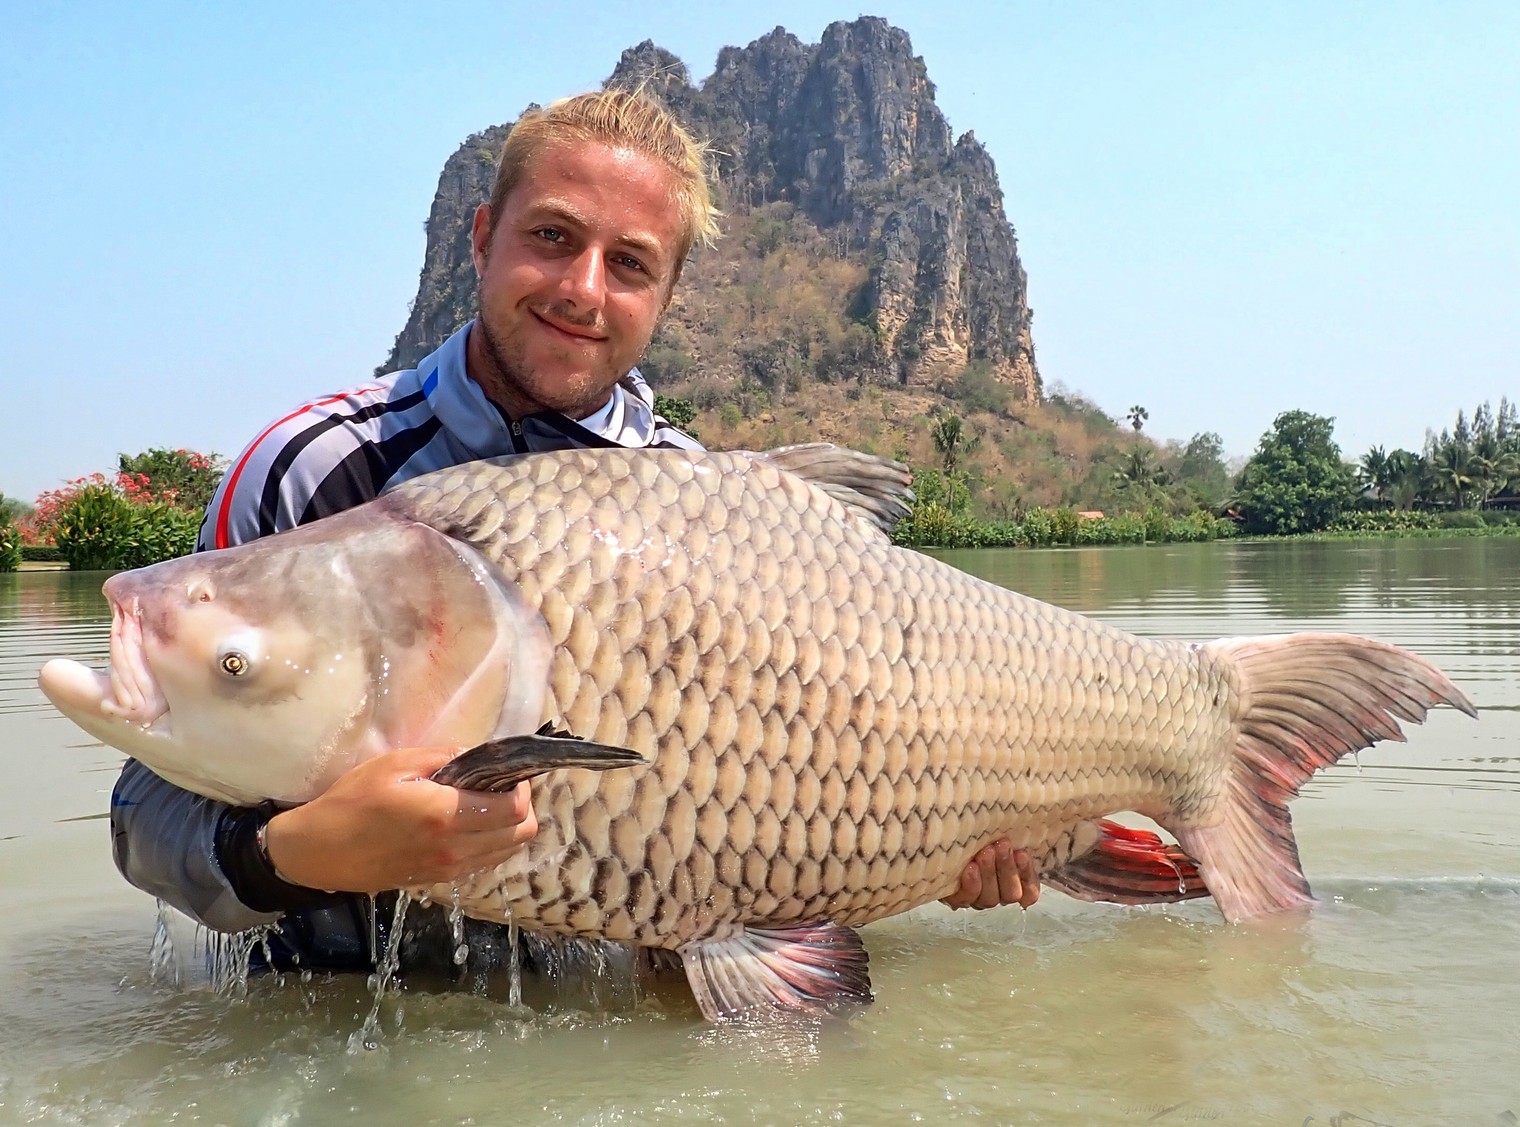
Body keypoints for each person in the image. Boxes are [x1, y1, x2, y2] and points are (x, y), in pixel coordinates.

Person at [110, 88, 1039, 974]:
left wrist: (935, 841)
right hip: (329, 1006)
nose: (583, 290)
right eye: (552, 237)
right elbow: (143, 808)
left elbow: (813, 782)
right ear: (481, 239)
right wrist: (292, 851)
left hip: (593, 1004)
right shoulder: (311, 467)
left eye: (629, 263)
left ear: (665, 298)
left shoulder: (708, 504)